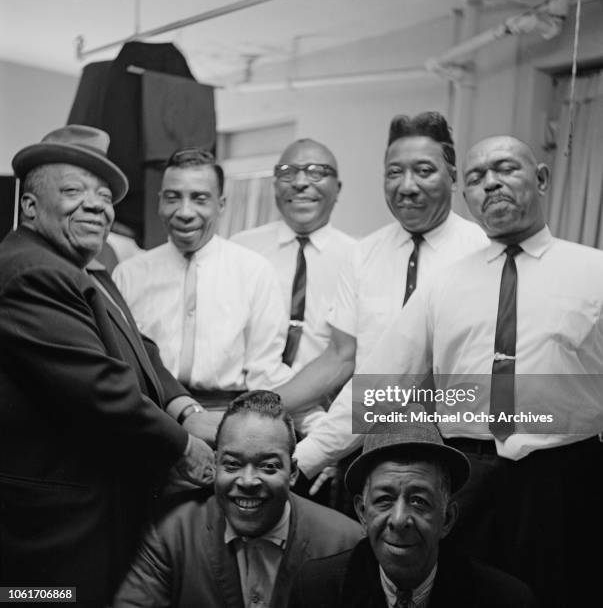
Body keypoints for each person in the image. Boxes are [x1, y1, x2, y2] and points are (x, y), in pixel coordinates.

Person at [354, 135, 603, 607]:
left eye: (505, 169)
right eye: (475, 177)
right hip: (468, 475)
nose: (491, 184)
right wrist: (304, 455)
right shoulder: (443, 283)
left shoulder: (595, 272)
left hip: (566, 482)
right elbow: (382, 383)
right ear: (464, 196)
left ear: (542, 178)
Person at [0, 125, 214, 606]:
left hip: (99, 508)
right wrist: (185, 446)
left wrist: (182, 407)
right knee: (41, 601)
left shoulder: (82, 270)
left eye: (104, 195)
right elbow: (102, 388)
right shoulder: (32, 271)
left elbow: (139, 347)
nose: (96, 205)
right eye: (74, 191)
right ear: (30, 207)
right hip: (52, 527)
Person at [276, 112, 487, 486]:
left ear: (452, 176)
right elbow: (340, 357)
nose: (406, 186)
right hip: (367, 444)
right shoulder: (364, 254)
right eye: (394, 172)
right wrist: (259, 410)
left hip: (458, 449)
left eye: (424, 170)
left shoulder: (485, 253)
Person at [113, 148, 311, 438]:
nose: (184, 211)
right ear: (159, 202)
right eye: (172, 197)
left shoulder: (254, 271)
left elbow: (265, 371)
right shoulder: (129, 274)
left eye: (199, 198)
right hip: (148, 420)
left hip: (228, 421)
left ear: (221, 204)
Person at [113, 391, 363, 608]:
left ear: (294, 472)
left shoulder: (345, 543)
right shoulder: (173, 529)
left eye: (268, 466)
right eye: (232, 464)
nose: (248, 481)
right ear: (215, 465)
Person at [288, 407, 535, 607]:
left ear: (447, 518)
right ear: (362, 512)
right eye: (384, 499)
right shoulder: (317, 591)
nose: (399, 519)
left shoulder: (504, 600)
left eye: (419, 501)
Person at [232, 138, 354, 408]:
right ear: (274, 185)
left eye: (317, 172)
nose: (300, 182)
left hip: (326, 410)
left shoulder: (359, 259)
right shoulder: (240, 248)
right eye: (287, 172)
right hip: (244, 405)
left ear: (338, 188)